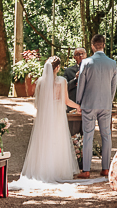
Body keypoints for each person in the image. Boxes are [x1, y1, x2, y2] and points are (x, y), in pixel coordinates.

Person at [9, 57, 80, 189]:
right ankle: (57, 171)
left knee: (44, 141)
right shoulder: (62, 81)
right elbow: (66, 101)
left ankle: (42, 170)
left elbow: (37, 104)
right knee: (57, 141)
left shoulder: (40, 82)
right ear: (57, 68)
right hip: (58, 116)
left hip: (44, 118)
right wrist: (78, 106)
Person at [75, 34, 117, 179]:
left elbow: (81, 85)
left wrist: (79, 102)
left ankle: (86, 170)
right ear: (103, 45)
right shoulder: (112, 63)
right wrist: (109, 101)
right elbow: (113, 86)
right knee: (106, 135)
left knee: (88, 135)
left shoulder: (86, 62)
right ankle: (105, 168)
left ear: (92, 46)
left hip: (89, 104)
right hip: (105, 104)